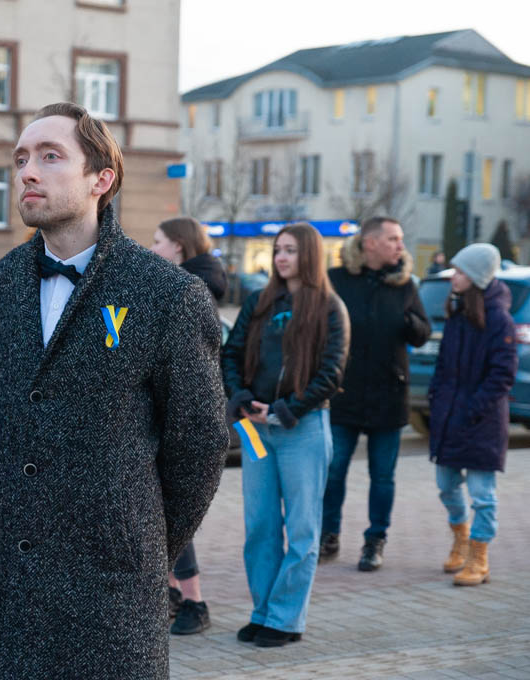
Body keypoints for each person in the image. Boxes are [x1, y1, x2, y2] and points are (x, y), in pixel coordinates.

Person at [0, 103, 228, 680]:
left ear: (100, 180)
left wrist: (138, 539)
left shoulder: (166, 293)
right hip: (6, 580)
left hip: (109, 589)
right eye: (21, 159)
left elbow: (200, 444)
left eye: (50, 157)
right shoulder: (6, 279)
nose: (28, 172)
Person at [222, 222, 349, 647]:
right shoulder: (258, 302)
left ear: (309, 254)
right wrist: (241, 397)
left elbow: (331, 372)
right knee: (259, 525)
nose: (281, 257)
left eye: (290, 250)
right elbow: (231, 353)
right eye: (278, 249)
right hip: (255, 430)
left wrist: (285, 409)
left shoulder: (330, 307)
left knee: (302, 529)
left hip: (302, 429)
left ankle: (285, 618)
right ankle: (263, 612)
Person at [320, 216, 430, 571]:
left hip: (388, 395)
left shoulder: (405, 285)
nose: (400, 246)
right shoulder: (336, 279)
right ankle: (328, 535)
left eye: (400, 239)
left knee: (382, 476)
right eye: (393, 239)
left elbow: (422, 333)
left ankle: (375, 540)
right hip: (344, 393)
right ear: (370, 243)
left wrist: (410, 322)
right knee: (333, 471)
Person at [150, 216, 227, 635]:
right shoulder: (191, 284)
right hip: (171, 414)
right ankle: (174, 592)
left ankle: (195, 601)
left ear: (178, 246)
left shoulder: (191, 290)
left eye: (158, 241)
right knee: (160, 510)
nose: (152, 249)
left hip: (182, 418)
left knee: (174, 510)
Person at [429, 243, 516, 587]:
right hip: (450, 417)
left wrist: (472, 408)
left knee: (482, 494)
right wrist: (438, 399)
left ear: (477, 277)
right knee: (446, 486)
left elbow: (503, 375)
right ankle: (461, 539)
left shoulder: (499, 319)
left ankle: (479, 557)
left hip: (481, 422)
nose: (454, 276)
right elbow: (443, 365)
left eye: (461, 271)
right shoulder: (457, 313)